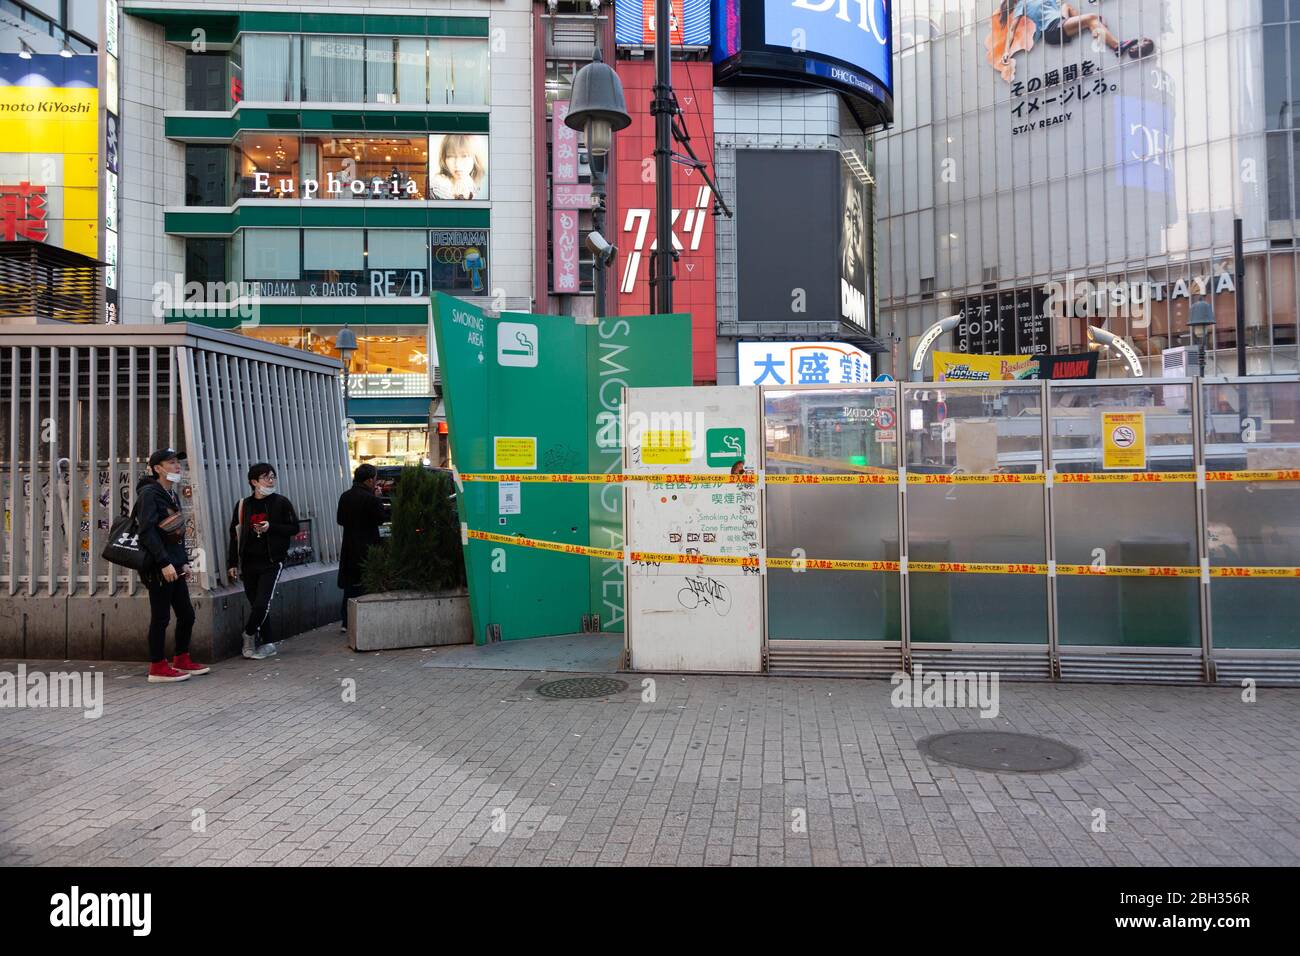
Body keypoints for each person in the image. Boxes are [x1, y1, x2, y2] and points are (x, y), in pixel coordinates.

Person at [136, 448, 210, 683]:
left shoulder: (171, 494)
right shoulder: (149, 493)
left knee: (187, 614)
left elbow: (174, 532)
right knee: (161, 617)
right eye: (171, 463)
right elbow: (147, 532)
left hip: (174, 564)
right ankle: (157, 667)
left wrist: (183, 562)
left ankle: (181, 658)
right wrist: (165, 563)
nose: (177, 467)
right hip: (159, 567)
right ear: (158, 468)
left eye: (178, 463)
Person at [227, 463, 299, 660]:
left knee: (262, 604)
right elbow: (235, 535)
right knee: (256, 604)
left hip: (272, 560)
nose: (271, 480)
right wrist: (232, 562)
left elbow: (294, 528)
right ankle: (268, 643)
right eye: (266, 477)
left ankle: (248, 634)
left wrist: (271, 527)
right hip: (249, 562)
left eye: (273, 477)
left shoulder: (281, 502)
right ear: (254, 482)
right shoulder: (243, 505)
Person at [336, 463, 389, 634]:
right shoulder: (371, 499)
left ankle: (346, 620)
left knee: (350, 586)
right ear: (368, 480)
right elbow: (380, 518)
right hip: (368, 545)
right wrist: (378, 499)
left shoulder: (345, 496)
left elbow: (340, 519)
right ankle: (363, 619)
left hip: (349, 545)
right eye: (375, 479)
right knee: (365, 583)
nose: (376, 482)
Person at [429, 134, 485, 200]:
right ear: (444, 159)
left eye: (464, 156)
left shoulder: (476, 187)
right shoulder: (438, 189)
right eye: (451, 156)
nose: (457, 164)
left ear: (475, 159)